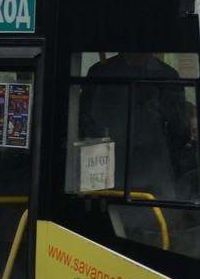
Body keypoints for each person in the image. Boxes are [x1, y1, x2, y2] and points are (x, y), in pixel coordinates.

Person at [79, 52, 189, 196]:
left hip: (105, 170)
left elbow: (82, 121)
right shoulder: (167, 75)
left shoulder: (100, 71)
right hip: (155, 172)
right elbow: (180, 130)